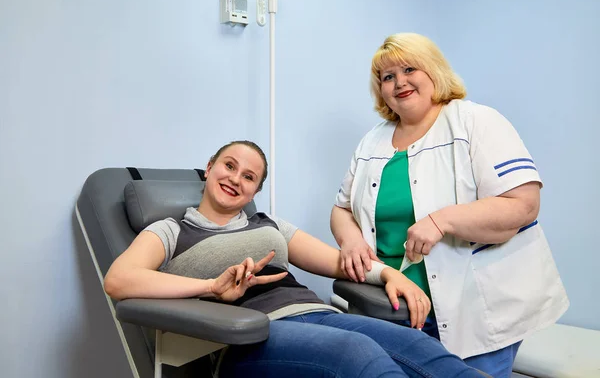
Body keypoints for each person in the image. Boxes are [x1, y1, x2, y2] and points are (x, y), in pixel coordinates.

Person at [104, 140, 487, 378]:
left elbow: (340, 262)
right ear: (209, 169)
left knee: (418, 348)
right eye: (229, 166)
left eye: (249, 177)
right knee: (358, 354)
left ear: (255, 189)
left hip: (317, 318)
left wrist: (389, 274)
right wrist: (210, 287)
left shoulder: (268, 225)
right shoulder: (172, 230)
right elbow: (119, 280)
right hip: (247, 337)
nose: (236, 179)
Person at [330, 33, 569, 378]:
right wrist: (350, 240)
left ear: (433, 71)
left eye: (409, 68)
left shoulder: (476, 122)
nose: (400, 82)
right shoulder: (373, 140)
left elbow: (524, 204)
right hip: (395, 309)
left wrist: (442, 221)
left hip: (477, 308)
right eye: (388, 77)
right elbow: (341, 209)